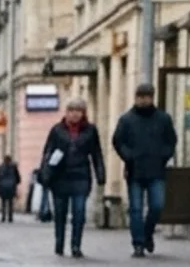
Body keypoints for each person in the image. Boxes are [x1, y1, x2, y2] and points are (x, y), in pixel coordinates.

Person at [112, 81, 178, 257]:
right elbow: (118, 141)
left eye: (147, 97)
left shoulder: (163, 119)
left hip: (156, 170)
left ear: (152, 98)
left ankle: (148, 233)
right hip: (135, 171)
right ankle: (138, 243)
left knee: (157, 205)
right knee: (135, 208)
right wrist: (129, 156)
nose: (143, 101)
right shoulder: (126, 119)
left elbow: (171, 141)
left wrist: (163, 155)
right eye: (140, 97)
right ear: (136, 98)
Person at [40, 98, 107, 257]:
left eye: (78, 111)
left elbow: (96, 153)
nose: (74, 114)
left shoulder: (90, 130)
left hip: (80, 176)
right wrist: (45, 173)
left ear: (83, 113)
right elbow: (48, 152)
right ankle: (59, 243)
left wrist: (100, 173)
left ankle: (76, 245)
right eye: (71, 111)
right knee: (60, 213)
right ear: (66, 113)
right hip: (60, 177)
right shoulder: (57, 130)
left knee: (79, 212)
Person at [0, 154, 22, 222]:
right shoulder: (13, 167)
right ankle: (10, 217)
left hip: (3, 187)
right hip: (11, 187)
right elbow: (17, 177)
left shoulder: (1, 167)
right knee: (10, 202)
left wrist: (0, 182)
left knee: (3, 203)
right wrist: (16, 183)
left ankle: (3, 217)